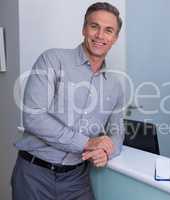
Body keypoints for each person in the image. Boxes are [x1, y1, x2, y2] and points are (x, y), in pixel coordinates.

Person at [11, 2, 124, 199]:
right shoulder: (52, 60)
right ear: (84, 28)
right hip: (34, 174)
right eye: (94, 26)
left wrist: (106, 151)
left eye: (108, 30)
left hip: (77, 180)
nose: (100, 36)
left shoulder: (115, 85)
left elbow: (117, 132)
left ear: (115, 38)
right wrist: (87, 142)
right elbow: (34, 117)